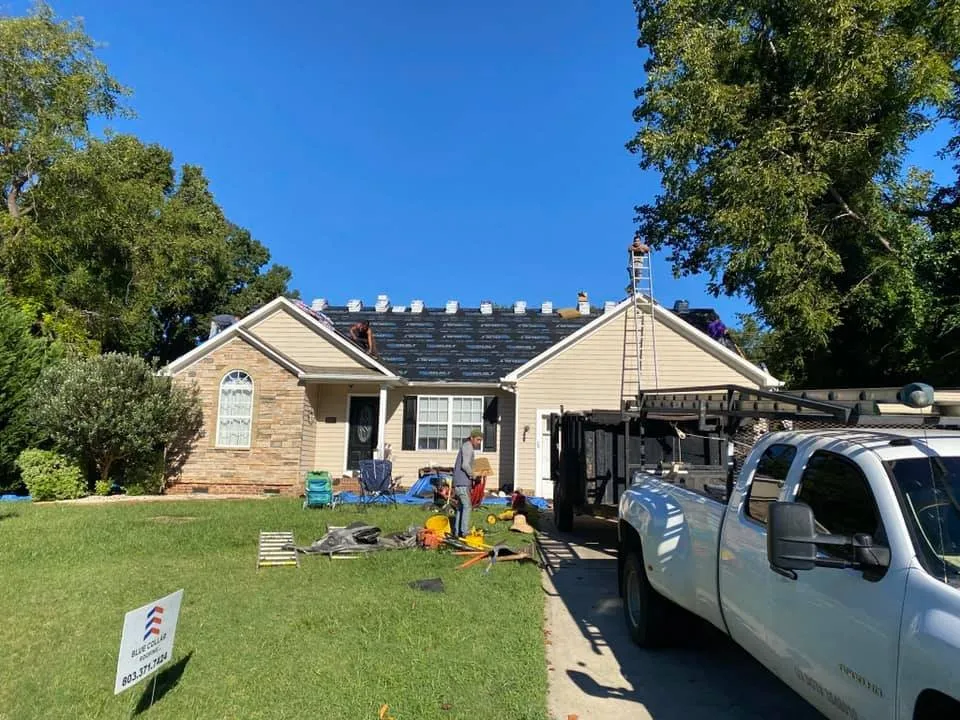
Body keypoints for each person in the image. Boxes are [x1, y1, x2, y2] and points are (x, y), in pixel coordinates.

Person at [452, 429, 483, 538]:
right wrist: (473, 475)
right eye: (478, 440)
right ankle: (464, 532)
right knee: (467, 506)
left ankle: (457, 533)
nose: (479, 442)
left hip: (460, 483)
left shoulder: (467, 447)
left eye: (480, 440)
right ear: (472, 438)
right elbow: (465, 465)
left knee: (461, 508)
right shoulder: (468, 446)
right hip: (462, 483)